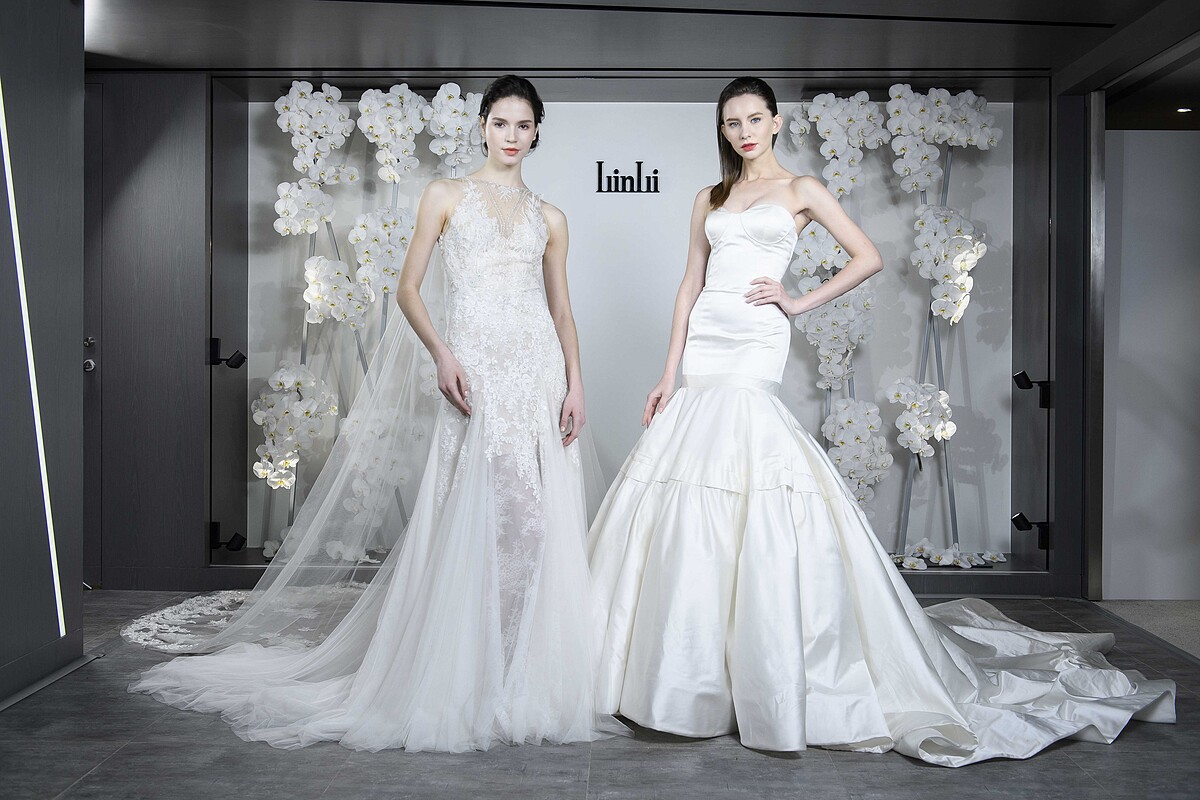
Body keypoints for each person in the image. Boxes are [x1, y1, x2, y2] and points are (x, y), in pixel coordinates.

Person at [586, 76, 1175, 767]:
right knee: (688, 480)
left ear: (776, 123)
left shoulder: (802, 189)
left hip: (754, 338)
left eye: (753, 119)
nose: (743, 132)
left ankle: (756, 666)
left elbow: (868, 256)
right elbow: (691, 281)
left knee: (750, 470)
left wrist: (797, 302)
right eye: (731, 122)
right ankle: (687, 665)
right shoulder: (708, 198)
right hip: (707, 341)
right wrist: (668, 373)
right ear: (723, 130)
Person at [130, 75, 619, 752]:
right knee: (473, 517)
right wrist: (443, 355)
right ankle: (461, 671)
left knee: (534, 524)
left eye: (523, 125)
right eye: (500, 122)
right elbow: (408, 289)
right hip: (475, 371)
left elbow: (562, 310)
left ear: (537, 133)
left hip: (536, 373)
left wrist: (575, 385)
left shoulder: (551, 217)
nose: (511, 135)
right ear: (483, 126)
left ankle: (518, 670)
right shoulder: (446, 194)